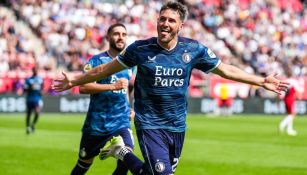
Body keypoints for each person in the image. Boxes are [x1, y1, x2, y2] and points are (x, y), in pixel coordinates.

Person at [53, 1, 289, 175]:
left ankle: (122, 152)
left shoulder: (193, 50)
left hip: (177, 126)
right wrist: (74, 80)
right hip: (149, 124)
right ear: (157, 21)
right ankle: (123, 152)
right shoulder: (139, 49)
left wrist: (260, 81)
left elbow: (226, 70)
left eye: (171, 20)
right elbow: (104, 70)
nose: (165, 24)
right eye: (162, 19)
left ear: (180, 26)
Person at [70, 23, 135, 175]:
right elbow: (83, 87)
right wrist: (112, 87)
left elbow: (126, 90)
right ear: (108, 37)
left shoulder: (130, 63)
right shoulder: (96, 61)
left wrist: (130, 108)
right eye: (116, 34)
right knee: (83, 165)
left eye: (124, 34)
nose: (121, 37)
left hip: (121, 121)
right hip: (97, 124)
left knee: (126, 159)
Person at [279, 71, 302, 136]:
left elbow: (281, 93)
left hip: (285, 99)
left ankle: (289, 129)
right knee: (293, 114)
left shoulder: (285, 81)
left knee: (290, 113)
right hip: (291, 99)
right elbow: (298, 90)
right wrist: (299, 98)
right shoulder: (294, 81)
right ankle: (283, 124)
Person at [24, 67, 44, 134]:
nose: (35, 71)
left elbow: (42, 89)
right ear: (32, 71)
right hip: (30, 99)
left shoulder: (40, 80)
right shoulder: (29, 80)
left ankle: (33, 124)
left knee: (37, 113)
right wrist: (30, 88)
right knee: (29, 113)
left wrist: (41, 92)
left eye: (36, 70)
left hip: (37, 99)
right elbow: (25, 90)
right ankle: (27, 127)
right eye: (34, 70)